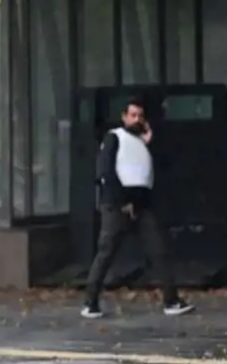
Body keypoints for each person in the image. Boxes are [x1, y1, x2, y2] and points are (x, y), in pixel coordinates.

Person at [81, 98, 194, 319]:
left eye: (140, 116)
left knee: (159, 249)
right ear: (124, 116)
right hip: (118, 204)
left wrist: (149, 142)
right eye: (132, 115)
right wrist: (122, 201)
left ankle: (171, 300)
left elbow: (150, 170)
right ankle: (90, 302)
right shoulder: (115, 136)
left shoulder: (143, 142)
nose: (136, 119)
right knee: (107, 252)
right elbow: (105, 172)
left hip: (142, 204)